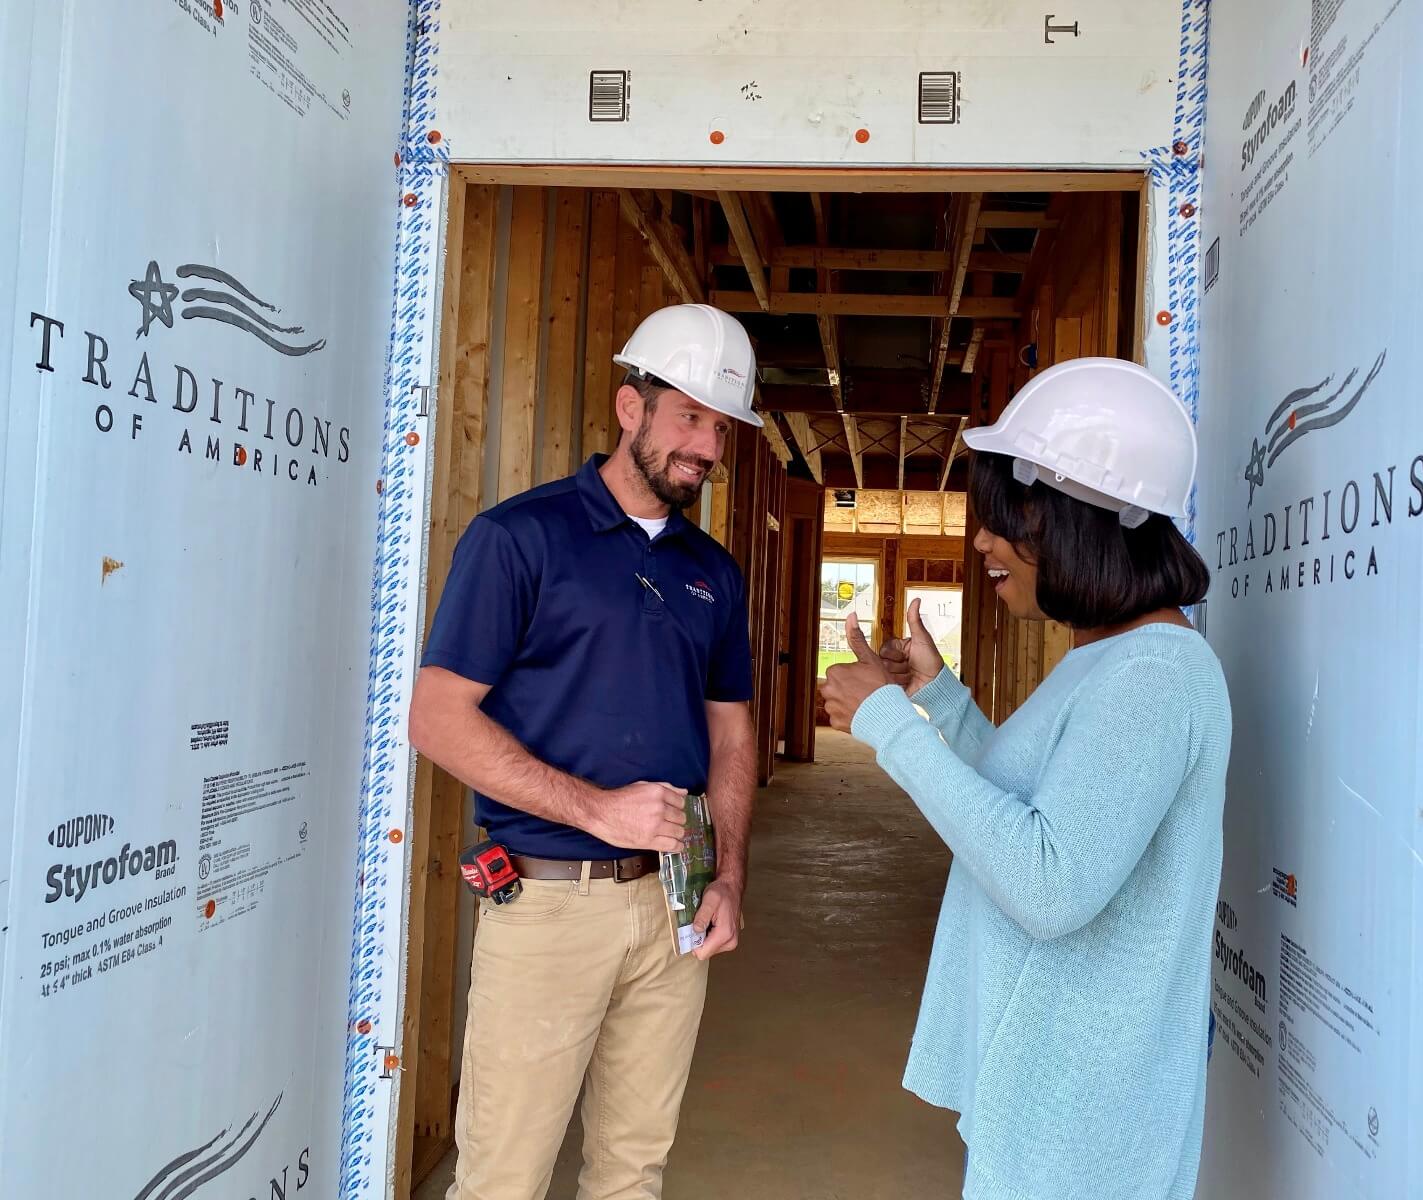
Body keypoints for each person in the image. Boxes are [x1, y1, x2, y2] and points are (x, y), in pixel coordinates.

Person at [819, 358, 1231, 1200]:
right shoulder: (1113, 656)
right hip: (1057, 1101)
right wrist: (935, 696)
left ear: (1080, 522)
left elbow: (1049, 883)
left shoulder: (1154, 675)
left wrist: (889, 728)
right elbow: (1031, 808)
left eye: (1008, 521)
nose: (982, 543)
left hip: (1084, 1125)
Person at [409, 303, 762, 1200]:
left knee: (633, 1172)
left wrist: (727, 878)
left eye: (721, 428)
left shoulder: (714, 572)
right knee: (503, 1178)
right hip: (548, 907)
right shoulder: (519, 538)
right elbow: (438, 719)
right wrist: (596, 809)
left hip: (675, 905)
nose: (708, 447)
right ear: (630, 407)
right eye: (690, 417)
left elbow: (731, 731)